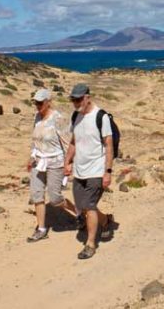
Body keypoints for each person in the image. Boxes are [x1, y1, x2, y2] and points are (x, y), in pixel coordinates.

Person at [64, 83, 114, 260]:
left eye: (78, 99)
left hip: (96, 170)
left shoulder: (101, 116)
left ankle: (90, 244)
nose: (75, 103)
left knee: (89, 206)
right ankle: (106, 221)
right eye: (73, 100)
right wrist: (67, 162)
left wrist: (107, 171)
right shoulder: (75, 116)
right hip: (79, 170)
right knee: (82, 206)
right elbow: (73, 141)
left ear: (87, 97)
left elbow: (109, 145)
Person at [26, 89, 77, 242]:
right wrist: (31, 156)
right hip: (38, 162)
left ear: (49, 102)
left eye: (40, 102)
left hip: (55, 162)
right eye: (36, 102)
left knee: (55, 198)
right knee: (37, 195)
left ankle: (79, 213)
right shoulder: (36, 117)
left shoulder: (58, 118)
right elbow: (35, 139)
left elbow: (68, 142)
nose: (37, 105)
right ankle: (41, 229)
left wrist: (69, 163)